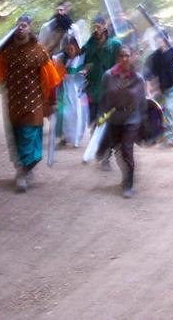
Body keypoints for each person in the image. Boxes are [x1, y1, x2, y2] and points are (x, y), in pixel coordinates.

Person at [0, 15, 63, 192]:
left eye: (24, 25)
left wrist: (53, 102)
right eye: (18, 25)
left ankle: (24, 171)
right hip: (13, 102)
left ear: (30, 28)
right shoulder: (7, 52)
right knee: (17, 138)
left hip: (34, 102)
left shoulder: (39, 51)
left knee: (29, 137)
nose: (21, 28)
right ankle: (22, 170)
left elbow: (51, 79)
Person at [96, 45, 147, 198]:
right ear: (117, 58)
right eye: (121, 56)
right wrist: (100, 116)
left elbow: (142, 103)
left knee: (127, 148)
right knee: (119, 150)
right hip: (114, 119)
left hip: (132, 119)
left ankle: (128, 184)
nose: (124, 59)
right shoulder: (108, 76)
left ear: (132, 57)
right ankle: (125, 175)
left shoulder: (137, 78)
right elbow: (103, 98)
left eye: (127, 56)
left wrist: (146, 125)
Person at [82, 15, 123, 169]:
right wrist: (85, 69)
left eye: (99, 26)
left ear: (105, 27)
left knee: (107, 123)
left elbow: (121, 65)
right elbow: (85, 62)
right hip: (92, 90)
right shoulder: (90, 44)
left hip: (110, 91)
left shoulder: (115, 45)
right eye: (94, 26)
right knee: (94, 122)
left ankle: (106, 156)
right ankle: (99, 150)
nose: (95, 29)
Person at [143, 32, 173, 149]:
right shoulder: (155, 56)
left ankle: (170, 138)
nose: (160, 42)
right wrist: (150, 88)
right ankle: (156, 136)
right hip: (161, 88)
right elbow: (149, 74)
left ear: (167, 39)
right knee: (155, 110)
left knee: (168, 108)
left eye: (161, 39)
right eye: (157, 40)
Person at [53, 33, 90, 148]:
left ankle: (76, 138)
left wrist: (85, 72)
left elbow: (88, 69)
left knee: (77, 114)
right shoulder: (61, 58)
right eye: (67, 49)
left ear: (76, 47)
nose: (69, 51)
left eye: (71, 48)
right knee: (62, 113)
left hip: (78, 90)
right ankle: (64, 137)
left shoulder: (82, 58)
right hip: (64, 89)